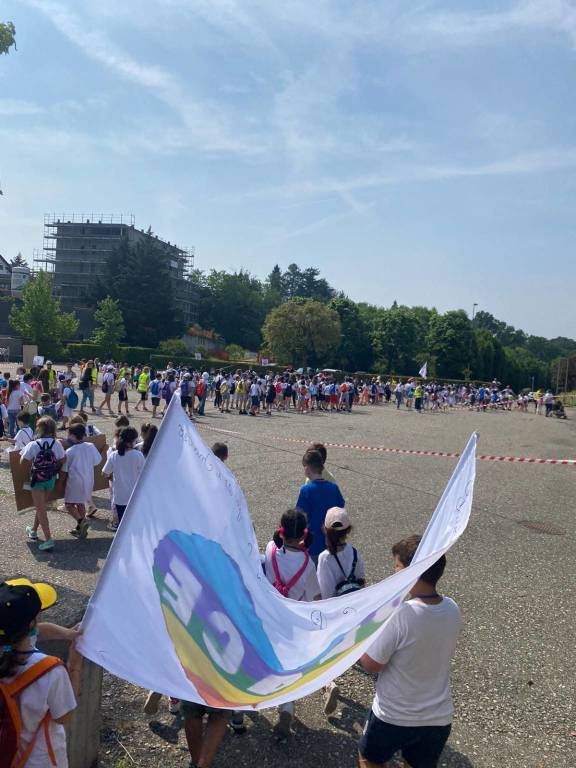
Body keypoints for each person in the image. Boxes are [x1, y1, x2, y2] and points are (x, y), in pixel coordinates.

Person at [358, 535, 462, 768]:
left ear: (411, 572)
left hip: (393, 715)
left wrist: (361, 639)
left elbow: (372, 664)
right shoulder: (452, 609)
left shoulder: (401, 615)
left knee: (370, 759)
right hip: (437, 717)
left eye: (397, 567)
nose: (394, 573)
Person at [0, 579, 77, 768]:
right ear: (32, 622)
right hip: (40, 760)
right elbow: (63, 716)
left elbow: (36, 633)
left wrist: (67, 634)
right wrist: (75, 662)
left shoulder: (6, 650)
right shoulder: (51, 670)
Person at [264, 508, 320, 736]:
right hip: (293, 620)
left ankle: (271, 696)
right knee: (291, 663)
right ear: (304, 534)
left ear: (281, 530)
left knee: (274, 661)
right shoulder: (308, 564)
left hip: (270, 616)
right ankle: (287, 705)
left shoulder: (270, 550)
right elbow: (314, 597)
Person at [317, 506, 366, 716]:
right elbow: (362, 580)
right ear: (348, 530)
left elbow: (326, 592)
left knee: (325, 651)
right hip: (353, 609)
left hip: (335, 611)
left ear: (325, 530)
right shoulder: (355, 553)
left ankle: (329, 683)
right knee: (346, 644)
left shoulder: (325, 558)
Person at [20, 417, 66, 551]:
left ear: (40, 429)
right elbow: (63, 459)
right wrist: (52, 466)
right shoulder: (56, 443)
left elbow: (23, 461)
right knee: (41, 507)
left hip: (37, 480)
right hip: (50, 479)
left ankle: (48, 539)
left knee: (41, 509)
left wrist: (35, 466)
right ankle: (33, 530)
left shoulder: (34, 444)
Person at [295, 449, 345, 563]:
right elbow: (341, 508)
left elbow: (300, 516)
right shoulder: (334, 487)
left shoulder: (305, 490)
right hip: (333, 541)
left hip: (313, 543)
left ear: (307, 469)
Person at [61, 424, 102, 539]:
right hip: (88, 479)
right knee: (80, 503)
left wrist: (61, 483)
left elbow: (64, 469)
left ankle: (81, 521)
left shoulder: (69, 451)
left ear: (73, 436)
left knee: (69, 505)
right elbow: (97, 461)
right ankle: (80, 530)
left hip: (74, 481)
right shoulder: (91, 446)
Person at [102, 427, 145, 528]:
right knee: (135, 524)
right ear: (132, 441)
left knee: (123, 525)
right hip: (135, 495)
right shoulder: (138, 455)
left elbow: (104, 473)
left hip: (119, 496)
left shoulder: (114, 455)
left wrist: (112, 476)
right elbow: (144, 473)